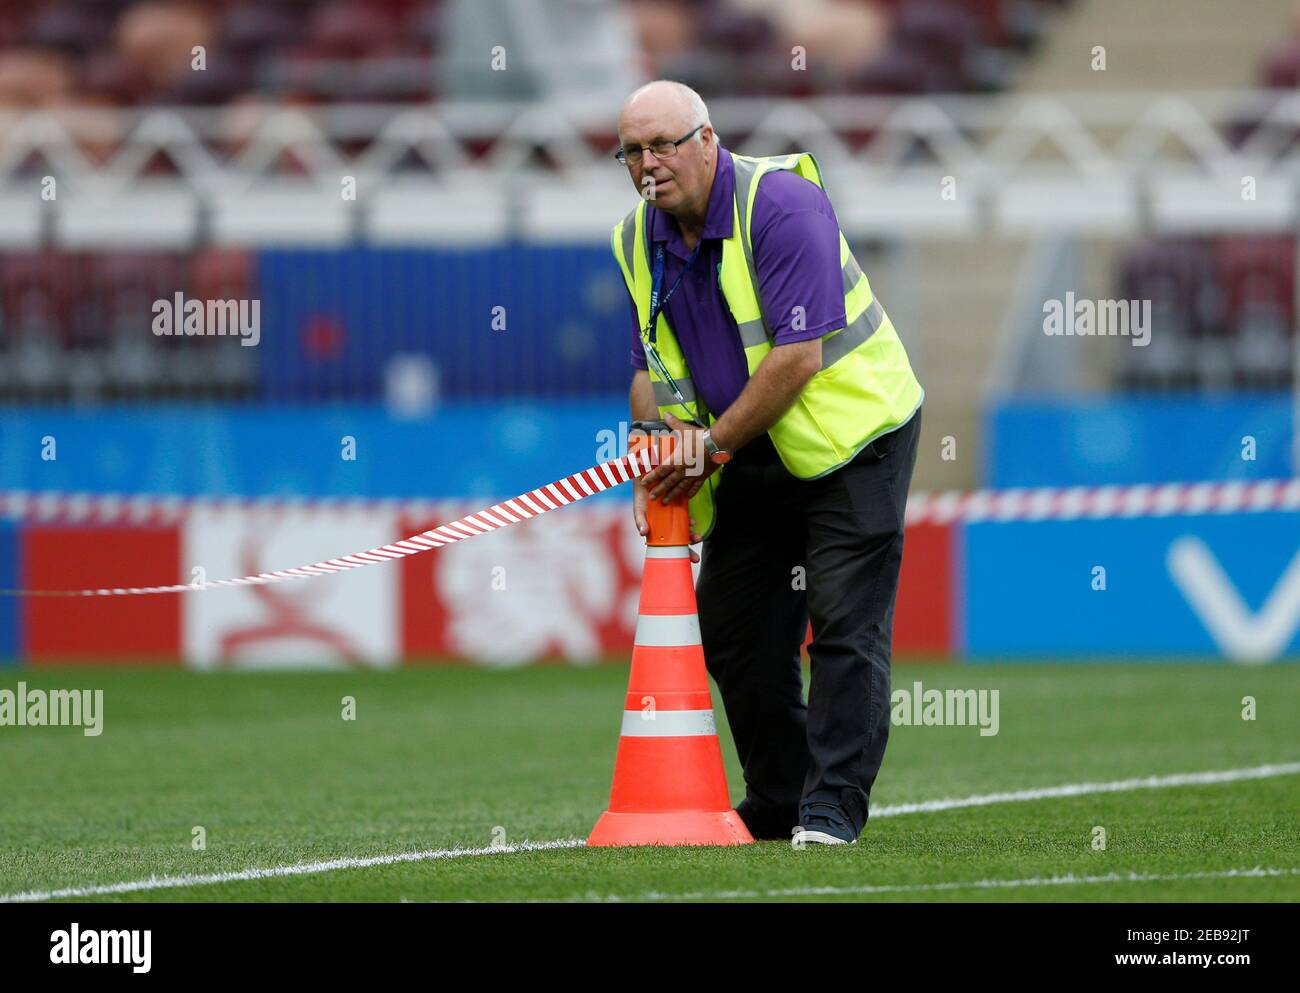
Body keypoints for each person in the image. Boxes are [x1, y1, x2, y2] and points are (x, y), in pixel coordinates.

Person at [612, 80, 923, 847]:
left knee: (846, 625)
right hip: (750, 447)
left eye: (665, 144)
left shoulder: (779, 205)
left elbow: (798, 357)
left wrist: (709, 448)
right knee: (735, 629)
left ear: (709, 139)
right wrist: (652, 437)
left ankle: (833, 808)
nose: (649, 164)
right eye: (632, 151)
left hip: (855, 438)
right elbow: (652, 368)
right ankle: (782, 797)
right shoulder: (632, 240)